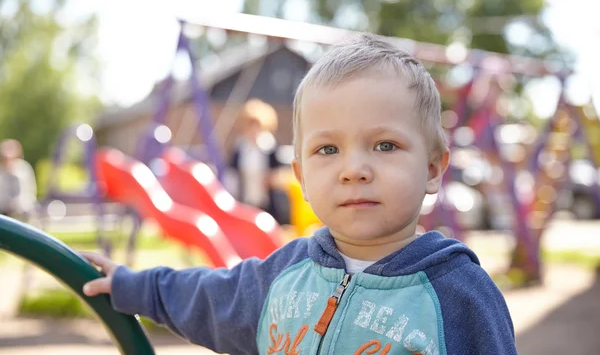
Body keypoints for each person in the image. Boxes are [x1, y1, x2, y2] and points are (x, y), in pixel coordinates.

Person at [81, 34, 517, 354]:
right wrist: (133, 285)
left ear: (433, 167)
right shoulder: (281, 278)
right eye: (328, 149)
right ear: (302, 176)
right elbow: (207, 298)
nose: (353, 169)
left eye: (385, 145)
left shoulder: (460, 297)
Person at [228, 98, 289, 224]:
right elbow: (232, 175)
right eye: (250, 126)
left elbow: (280, 174)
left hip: (267, 201)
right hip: (245, 198)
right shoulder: (240, 149)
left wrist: (271, 179)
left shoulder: (270, 148)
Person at [0, 139, 37, 218]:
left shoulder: (23, 169)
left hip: (21, 209)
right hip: (3, 210)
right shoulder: (1, 170)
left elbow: (27, 191)